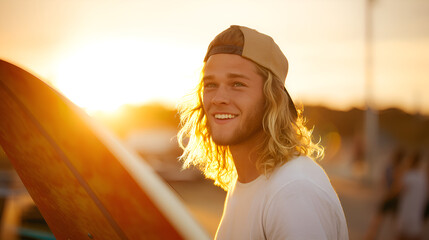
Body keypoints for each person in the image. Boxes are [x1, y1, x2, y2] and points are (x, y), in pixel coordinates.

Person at [177, 25, 349, 239]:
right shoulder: (246, 184)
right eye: (210, 84)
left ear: (272, 98)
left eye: (237, 84)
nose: (218, 98)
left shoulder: (293, 192)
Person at [396, 151, 427, 240]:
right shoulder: (422, 177)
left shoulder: (407, 176)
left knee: (402, 235)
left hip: (407, 212)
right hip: (417, 212)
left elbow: (399, 189)